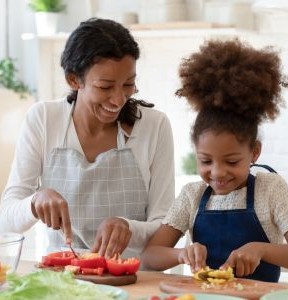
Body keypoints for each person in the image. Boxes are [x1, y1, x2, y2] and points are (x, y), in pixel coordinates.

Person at [0, 18, 175, 259]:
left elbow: (166, 225)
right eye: (105, 87)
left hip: (134, 276)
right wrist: (34, 201)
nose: (118, 99)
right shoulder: (43, 119)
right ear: (74, 80)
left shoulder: (154, 126)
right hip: (65, 275)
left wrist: (129, 226)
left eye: (128, 84)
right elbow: (6, 219)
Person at [141, 39, 288, 282]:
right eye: (206, 161)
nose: (217, 172)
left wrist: (261, 249)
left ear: (254, 152)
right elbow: (150, 256)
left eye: (232, 161)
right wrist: (182, 253)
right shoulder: (191, 195)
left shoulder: (271, 190)